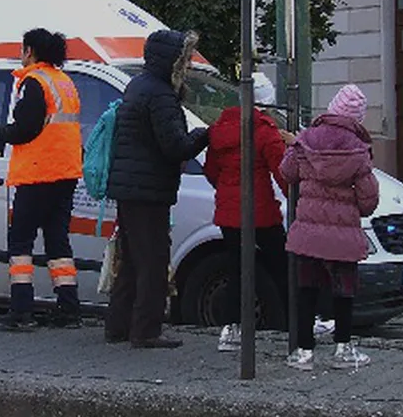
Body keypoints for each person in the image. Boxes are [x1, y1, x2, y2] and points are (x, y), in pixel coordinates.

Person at [104, 29, 209, 349]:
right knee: (152, 260)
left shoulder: (138, 86)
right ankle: (146, 330)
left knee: (133, 259)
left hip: (131, 187)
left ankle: (118, 326)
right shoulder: (160, 94)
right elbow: (175, 146)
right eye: (185, 58)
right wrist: (204, 135)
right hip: (148, 190)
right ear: (171, 60)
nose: (188, 65)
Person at [279, 84, 379, 370]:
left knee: (306, 289)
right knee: (344, 291)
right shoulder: (358, 150)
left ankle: (304, 353)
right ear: (357, 117)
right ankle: (343, 349)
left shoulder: (306, 139)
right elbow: (368, 200)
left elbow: (287, 173)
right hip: (343, 234)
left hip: (308, 231)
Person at [0, 29, 84, 331]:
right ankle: (69, 308)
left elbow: (27, 128)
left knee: (20, 241)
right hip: (66, 172)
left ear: (29, 50)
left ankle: (21, 311)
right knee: (58, 240)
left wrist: (3, 133)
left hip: (38, 171)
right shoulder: (64, 82)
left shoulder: (34, 82)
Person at [204, 96, 291, 351]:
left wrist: (228, 192)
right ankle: (298, 324)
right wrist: (295, 199)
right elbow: (283, 171)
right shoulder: (264, 130)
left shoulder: (220, 129)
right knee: (282, 267)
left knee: (236, 271)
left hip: (229, 214)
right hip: (260, 212)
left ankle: (231, 331)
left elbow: (211, 170)